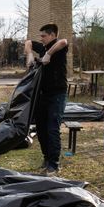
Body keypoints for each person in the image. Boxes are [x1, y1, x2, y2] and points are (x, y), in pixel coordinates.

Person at [24, 23, 69, 175]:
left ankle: (54, 164)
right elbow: (28, 42)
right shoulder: (42, 47)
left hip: (57, 94)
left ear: (52, 35)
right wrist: (29, 54)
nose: (41, 39)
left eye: (44, 36)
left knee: (52, 128)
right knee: (42, 128)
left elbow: (64, 42)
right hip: (42, 94)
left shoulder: (59, 46)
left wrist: (48, 54)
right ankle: (47, 158)